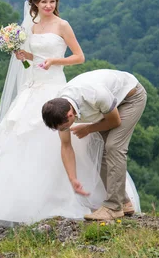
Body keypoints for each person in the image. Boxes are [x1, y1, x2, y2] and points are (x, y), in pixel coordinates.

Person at [0, 0, 140, 226]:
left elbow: (79, 57)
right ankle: (19, 202)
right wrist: (23, 56)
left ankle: (87, 195)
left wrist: (55, 61)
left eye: (52, 1)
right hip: (33, 86)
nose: (48, 6)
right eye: (44, 2)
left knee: (62, 139)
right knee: (20, 136)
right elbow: (32, 61)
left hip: (56, 88)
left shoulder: (63, 25)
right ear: (34, 3)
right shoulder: (31, 27)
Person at [42, 69, 147, 220]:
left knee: (114, 146)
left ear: (70, 115)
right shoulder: (59, 109)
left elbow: (114, 121)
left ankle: (113, 207)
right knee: (95, 149)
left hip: (131, 99)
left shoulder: (95, 95)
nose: (64, 130)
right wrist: (73, 178)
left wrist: (88, 128)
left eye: (64, 127)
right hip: (107, 107)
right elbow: (66, 145)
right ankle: (124, 203)